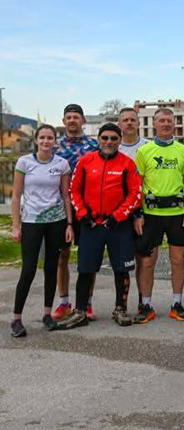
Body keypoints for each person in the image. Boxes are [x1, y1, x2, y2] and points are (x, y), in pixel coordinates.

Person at [59, 123, 143, 330]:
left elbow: (135, 194)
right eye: (105, 138)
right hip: (91, 224)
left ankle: (120, 309)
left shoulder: (128, 163)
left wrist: (118, 216)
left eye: (114, 138)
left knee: (122, 269)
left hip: (118, 225)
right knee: (86, 268)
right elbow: (73, 190)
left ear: (119, 140)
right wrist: (82, 214)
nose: (109, 142)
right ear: (98, 139)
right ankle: (80, 311)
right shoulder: (85, 161)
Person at [9, 125, 72, 337]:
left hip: (56, 221)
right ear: (36, 140)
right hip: (31, 221)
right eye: (42, 137)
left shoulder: (61, 164)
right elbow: (16, 196)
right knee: (28, 269)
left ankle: (47, 315)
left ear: (55, 141)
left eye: (50, 138)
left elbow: (66, 196)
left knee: (51, 267)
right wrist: (15, 226)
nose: (46, 141)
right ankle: (16, 319)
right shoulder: (24, 162)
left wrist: (69, 224)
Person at [133, 107, 184, 323]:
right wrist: (138, 213)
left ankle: (177, 303)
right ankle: (146, 305)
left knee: (178, 259)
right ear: (154, 124)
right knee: (148, 261)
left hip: (177, 213)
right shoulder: (144, 151)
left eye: (169, 121)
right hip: (151, 214)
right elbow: (138, 184)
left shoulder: (183, 150)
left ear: (174, 123)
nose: (166, 124)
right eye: (162, 121)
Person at [53, 103, 99, 321]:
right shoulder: (55, 146)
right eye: (69, 117)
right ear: (64, 121)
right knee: (62, 255)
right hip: (61, 208)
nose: (72, 120)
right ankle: (64, 302)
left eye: (76, 117)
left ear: (83, 121)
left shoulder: (94, 146)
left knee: (87, 257)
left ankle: (86, 302)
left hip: (87, 208)